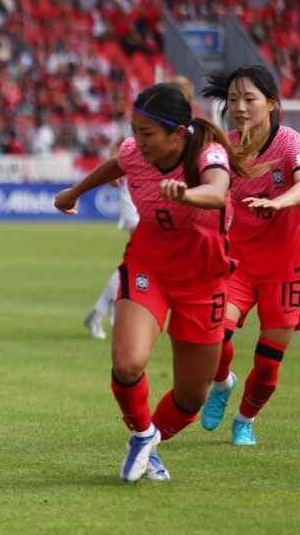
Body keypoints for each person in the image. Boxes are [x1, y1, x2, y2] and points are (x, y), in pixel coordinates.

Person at [56, 82, 252, 482]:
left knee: (191, 396)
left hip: (204, 277)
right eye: (134, 130)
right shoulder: (135, 152)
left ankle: (154, 442)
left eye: (146, 134)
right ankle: (142, 434)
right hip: (150, 265)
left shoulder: (207, 154)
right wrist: (75, 192)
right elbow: (118, 164)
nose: (136, 142)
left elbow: (217, 192)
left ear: (178, 134)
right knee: (127, 363)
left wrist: (187, 194)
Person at [200, 66, 300, 445]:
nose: (239, 107)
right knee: (213, 339)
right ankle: (223, 384)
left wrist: (278, 204)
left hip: (286, 268)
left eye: (249, 98)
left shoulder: (290, 143)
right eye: (233, 99)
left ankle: (245, 419)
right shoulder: (227, 147)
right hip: (237, 266)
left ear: (272, 103)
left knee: (269, 362)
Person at [84, 76, 195, 340]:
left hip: (163, 197)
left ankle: (110, 309)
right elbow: (121, 147)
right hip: (135, 193)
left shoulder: (185, 133)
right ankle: (104, 311)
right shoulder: (148, 121)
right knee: (142, 251)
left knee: (144, 254)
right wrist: (117, 170)